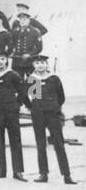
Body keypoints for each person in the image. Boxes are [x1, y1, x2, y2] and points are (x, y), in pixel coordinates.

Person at [24, 55, 74, 183]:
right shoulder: (32, 79)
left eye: (42, 63)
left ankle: (66, 175)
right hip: (38, 115)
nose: (40, 65)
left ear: (46, 65)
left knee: (59, 144)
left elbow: (61, 97)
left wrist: (55, 108)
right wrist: (33, 108)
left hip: (53, 114)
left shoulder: (54, 79)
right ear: (33, 65)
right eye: (37, 63)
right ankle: (43, 174)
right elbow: (27, 97)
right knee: (41, 144)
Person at [0, 52, 25, 181]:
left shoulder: (13, 75)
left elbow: (22, 92)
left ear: (7, 60)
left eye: (3, 59)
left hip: (11, 111)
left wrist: (16, 105)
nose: (0, 62)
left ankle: (18, 171)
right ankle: (1, 170)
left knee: (15, 140)